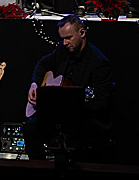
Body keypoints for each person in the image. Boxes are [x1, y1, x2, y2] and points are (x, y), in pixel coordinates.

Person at [22, 15, 113, 159]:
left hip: (84, 119)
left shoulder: (99, 63)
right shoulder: (62, 49)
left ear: (82, 33)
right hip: (59, 116)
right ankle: (40, 171)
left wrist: (72, 104)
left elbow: (101, 103)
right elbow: (43, 63)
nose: (64, 43)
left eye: (69, 38)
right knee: (29, 128)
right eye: (62, 38)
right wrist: (34, 84)